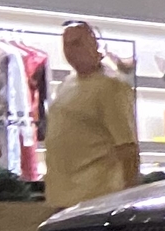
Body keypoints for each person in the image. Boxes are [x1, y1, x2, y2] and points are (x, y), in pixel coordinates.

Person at [45, 22, 139, 210]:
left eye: (78, 43)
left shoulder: (111, 87)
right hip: (63, 197)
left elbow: (127, 148)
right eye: (67, 44)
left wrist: (128, 198)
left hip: (96, 197)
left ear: (94, 44)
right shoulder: (67, 83)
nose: (71, 50)